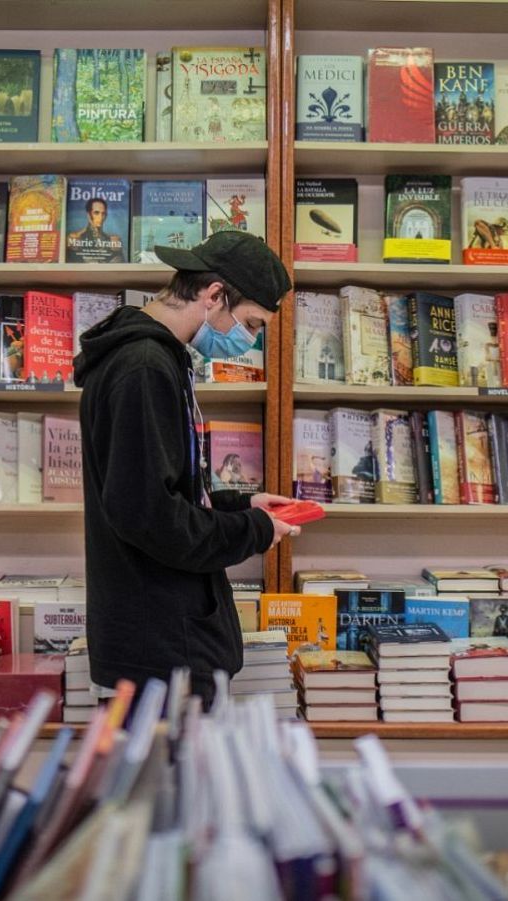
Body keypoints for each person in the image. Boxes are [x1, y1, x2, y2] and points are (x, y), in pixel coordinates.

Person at [73, 230, 297, 704]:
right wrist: (252, 531)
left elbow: (163, 486)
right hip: (160, 656)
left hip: (164, 646)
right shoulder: (143, 366)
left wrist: (243, 503)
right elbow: (150, 516)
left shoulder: (158, 360)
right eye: (252, 324)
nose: (250, 341)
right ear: (214, 294)